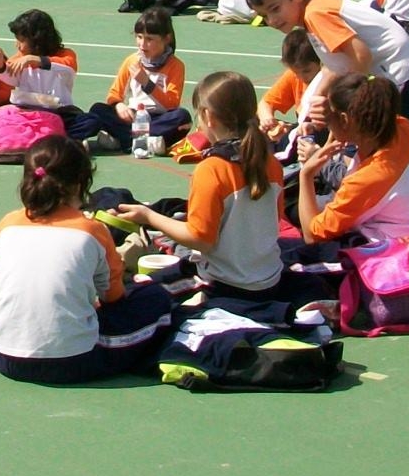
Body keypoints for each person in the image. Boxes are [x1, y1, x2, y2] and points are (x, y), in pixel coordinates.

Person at [0, 135, 174, 385]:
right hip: (71, 361)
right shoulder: (91, 230)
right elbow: (113, 297)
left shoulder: (7, 224)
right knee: (154, 298)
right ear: (80, 184)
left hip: (1, 354)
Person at [114, 71, 283, 304]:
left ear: (207, 116)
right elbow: (276, 219)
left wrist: (149, 217)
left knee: (135, 294)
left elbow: (200, 239)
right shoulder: (271, 162)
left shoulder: (212, 169)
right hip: (270, 279)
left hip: (227, 284)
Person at [247, 0, 409, 122]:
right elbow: (334, 66)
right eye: (264, 15)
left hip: (401, 73)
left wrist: (346, 102)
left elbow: (361, 55)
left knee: (385, 138)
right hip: (403, 71)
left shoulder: (315, 13)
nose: (271, 20)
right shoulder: (313, 13)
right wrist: (316, 98)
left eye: (275, 9)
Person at [295, 73, 409, 245]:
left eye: (328, 117)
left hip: (394, 252)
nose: (326, 124)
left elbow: (312, 236)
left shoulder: (370, 177)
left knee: (297, 213)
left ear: (345, 119)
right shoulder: (400, 126)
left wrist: (306, 174)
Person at [94, 8, 187, 150]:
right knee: (98, 110)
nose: (142, 44)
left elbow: (171, 105)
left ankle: (125, 139)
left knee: (182, 117)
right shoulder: (131, 61)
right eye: (139, 37)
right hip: (133, 116)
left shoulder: (176, 66)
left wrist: (147, 83)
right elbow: (114, 94)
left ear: (167, 39)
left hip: (158, 118)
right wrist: (119, 106)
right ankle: (145, 141)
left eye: (150, 39)